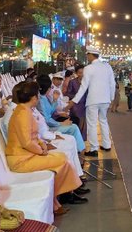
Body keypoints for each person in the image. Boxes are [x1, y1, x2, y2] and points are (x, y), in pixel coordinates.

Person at [6, 81, 84, 215]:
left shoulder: (24, 111)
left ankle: (56, 201)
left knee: (62, 159)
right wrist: (41, 151)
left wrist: (42, 145)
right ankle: (62, 196)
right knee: (62, 160)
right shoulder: (23, 113)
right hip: (21, 159)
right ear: (33, 97)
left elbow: (33, 137)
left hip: (26, 154)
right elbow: (26, 142)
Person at [69, 46, 116, 157]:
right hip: (105, 100)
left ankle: (94, 149)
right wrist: (111, 98)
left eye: (87, 55)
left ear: (90, 55)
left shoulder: (88, 68)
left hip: (93, 100)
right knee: (103, 121)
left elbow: (83, 87)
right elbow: (112, 84)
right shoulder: (107, 66)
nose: (87, 56)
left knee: (92, 124)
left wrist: (74, 101)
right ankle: (106, 145)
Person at [37, 74, 88, 158]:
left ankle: (79, 150)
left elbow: (50, 111)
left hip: (51, 123)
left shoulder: (44, 98)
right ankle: (81, 151)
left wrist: (54, 100)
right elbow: (46, 120)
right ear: (48, 88)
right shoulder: (40, 101)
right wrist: (61, 124)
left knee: (73, 125)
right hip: (48, 127)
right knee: (74, 127)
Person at [66, 64, 87, 140]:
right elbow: (68, 93)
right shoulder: (72, 82)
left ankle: (82, 139)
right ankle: (76, 138)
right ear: (76, 73)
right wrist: (76, 97)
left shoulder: (87, 82)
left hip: (85, 105)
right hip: (75, 106)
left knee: (84, 123)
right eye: (80, 72)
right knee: (77, 122)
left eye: (83, 72)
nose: (81, 74)